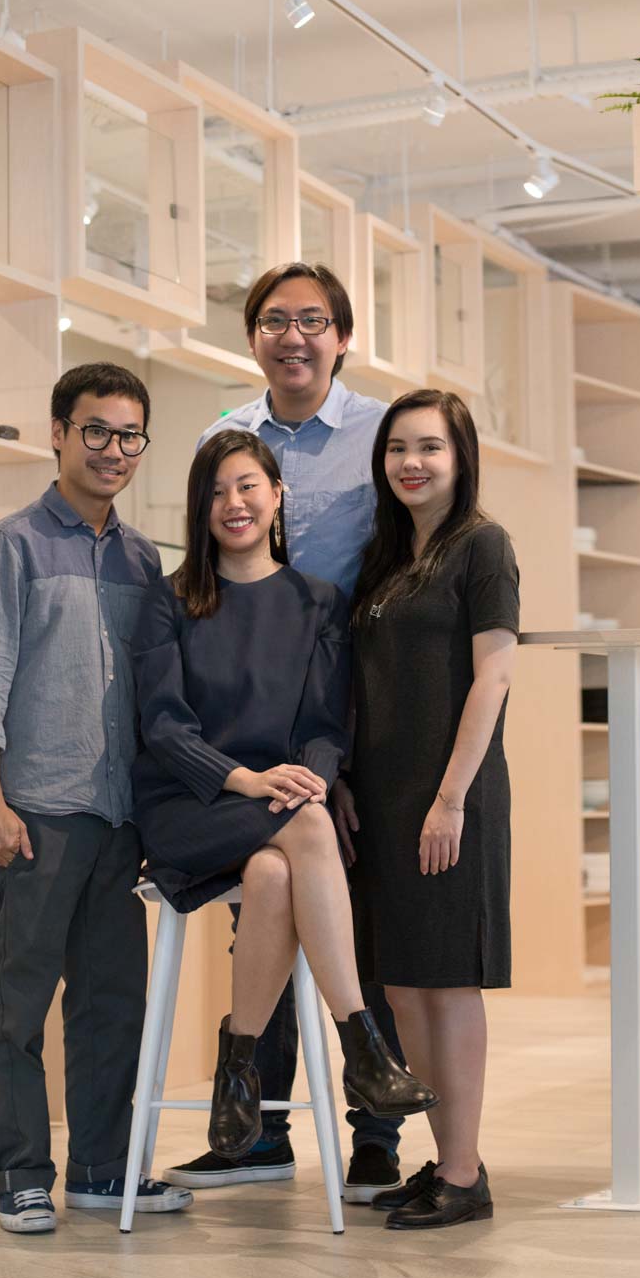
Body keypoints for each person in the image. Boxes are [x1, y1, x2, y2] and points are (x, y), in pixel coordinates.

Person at [161, 261, 408, 1203]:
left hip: (356, 705)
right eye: (274, 320)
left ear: (342, 336)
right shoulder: (223, 436)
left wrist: (318, 762)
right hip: (246, 734)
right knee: (271, 892)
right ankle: (271, 1123)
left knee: (356, 910)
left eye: (312, 320)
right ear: (252, 336)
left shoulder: (381, 432)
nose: (293, 336)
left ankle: (373, 1138)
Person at [131, 429, 436, 1158]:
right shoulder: (169, 600)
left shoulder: (319, 602)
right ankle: (361, 1047)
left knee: (274, 872)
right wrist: (248, 780)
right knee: (310, 827)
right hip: (189, 805)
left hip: (278, 809)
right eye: (215, 491)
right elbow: (164, 727)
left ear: (277, 495)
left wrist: (310, 778)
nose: (232, 503)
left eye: (246, 486)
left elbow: (326, 727)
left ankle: (237, 1067)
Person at [0, 362, 193, 1234]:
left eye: (130, 435)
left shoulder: (142, 558)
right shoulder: (10, 546)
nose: (113, 450)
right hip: (37, 814)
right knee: (20, 1004)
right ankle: (21, 1175)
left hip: (119, 818)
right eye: (96, 430)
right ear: (58, 433)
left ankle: (100, 1170)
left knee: (111, 1005)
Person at [333, 388, 519, 1230]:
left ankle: (465, 1171)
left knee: (448, 983)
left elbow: (494, 676)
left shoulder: (483, 546)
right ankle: (446, 1163)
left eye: (430, 447)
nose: (411, 463)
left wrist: (450, 800)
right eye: (397, 448)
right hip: (381, 799)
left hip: (449, 797)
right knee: (403, 984)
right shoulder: (384, 556)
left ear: (460, 456)